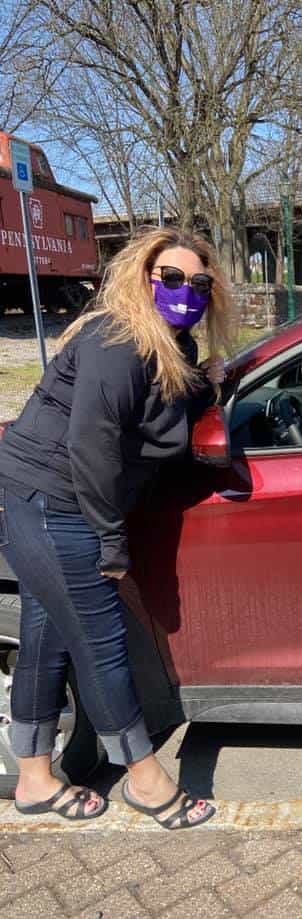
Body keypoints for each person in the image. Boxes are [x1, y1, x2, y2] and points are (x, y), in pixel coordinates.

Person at [0, 226, 233, 829]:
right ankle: (147, 781)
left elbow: (159, 414)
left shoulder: (168, 347)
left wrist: (207, 383)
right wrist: (110, 539)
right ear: (145, 279)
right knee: (101, 643)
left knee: (47, 636)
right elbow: (93, 444)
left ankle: (32, 780)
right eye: (173, 279)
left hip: (57, 498)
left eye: (199, 282)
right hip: (55, 500)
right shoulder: (119, 338)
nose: (187, 291)